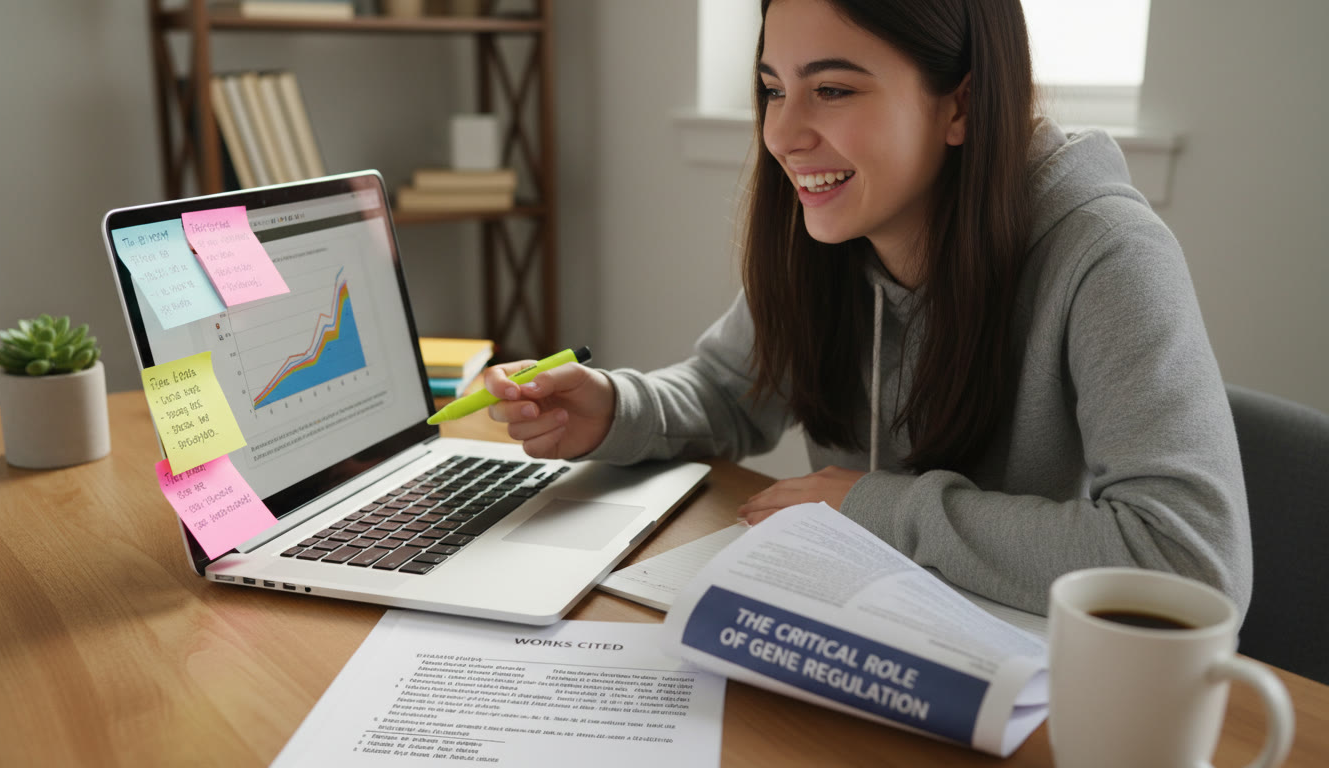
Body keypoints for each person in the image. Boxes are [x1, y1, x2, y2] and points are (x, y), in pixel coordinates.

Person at [481, 0, 1251, 616]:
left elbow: (1189, 559)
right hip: (863, 632)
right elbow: (725, 392)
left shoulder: (1106, 251)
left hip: (1028, 676)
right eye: (774, 88)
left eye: (834, 90)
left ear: (963, 104)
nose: (782, 135)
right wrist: (615, 406)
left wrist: (879, 509)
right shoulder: (832, 228)